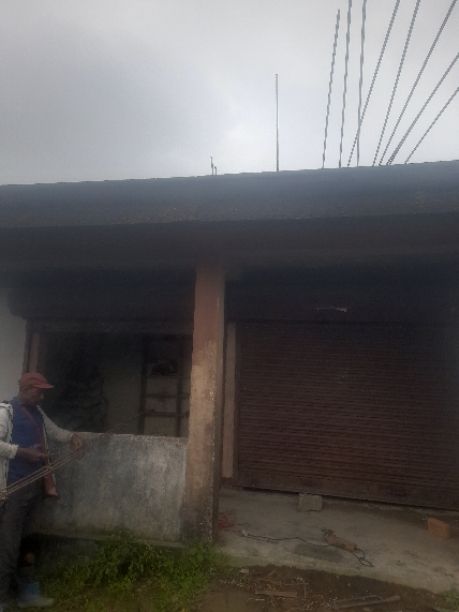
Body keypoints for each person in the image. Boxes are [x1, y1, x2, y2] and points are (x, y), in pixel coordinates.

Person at [0, 372, 83, 610]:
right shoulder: (6, 412)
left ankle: (27, 594)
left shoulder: (37, 412)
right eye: (39, 392)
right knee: (8, 546)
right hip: (12, 490)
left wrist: (72, 437)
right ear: (26, 390)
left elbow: (54, 431)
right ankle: (2, 599)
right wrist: (22, 452)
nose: (42, 397)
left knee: (28, 542)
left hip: (33, 488)